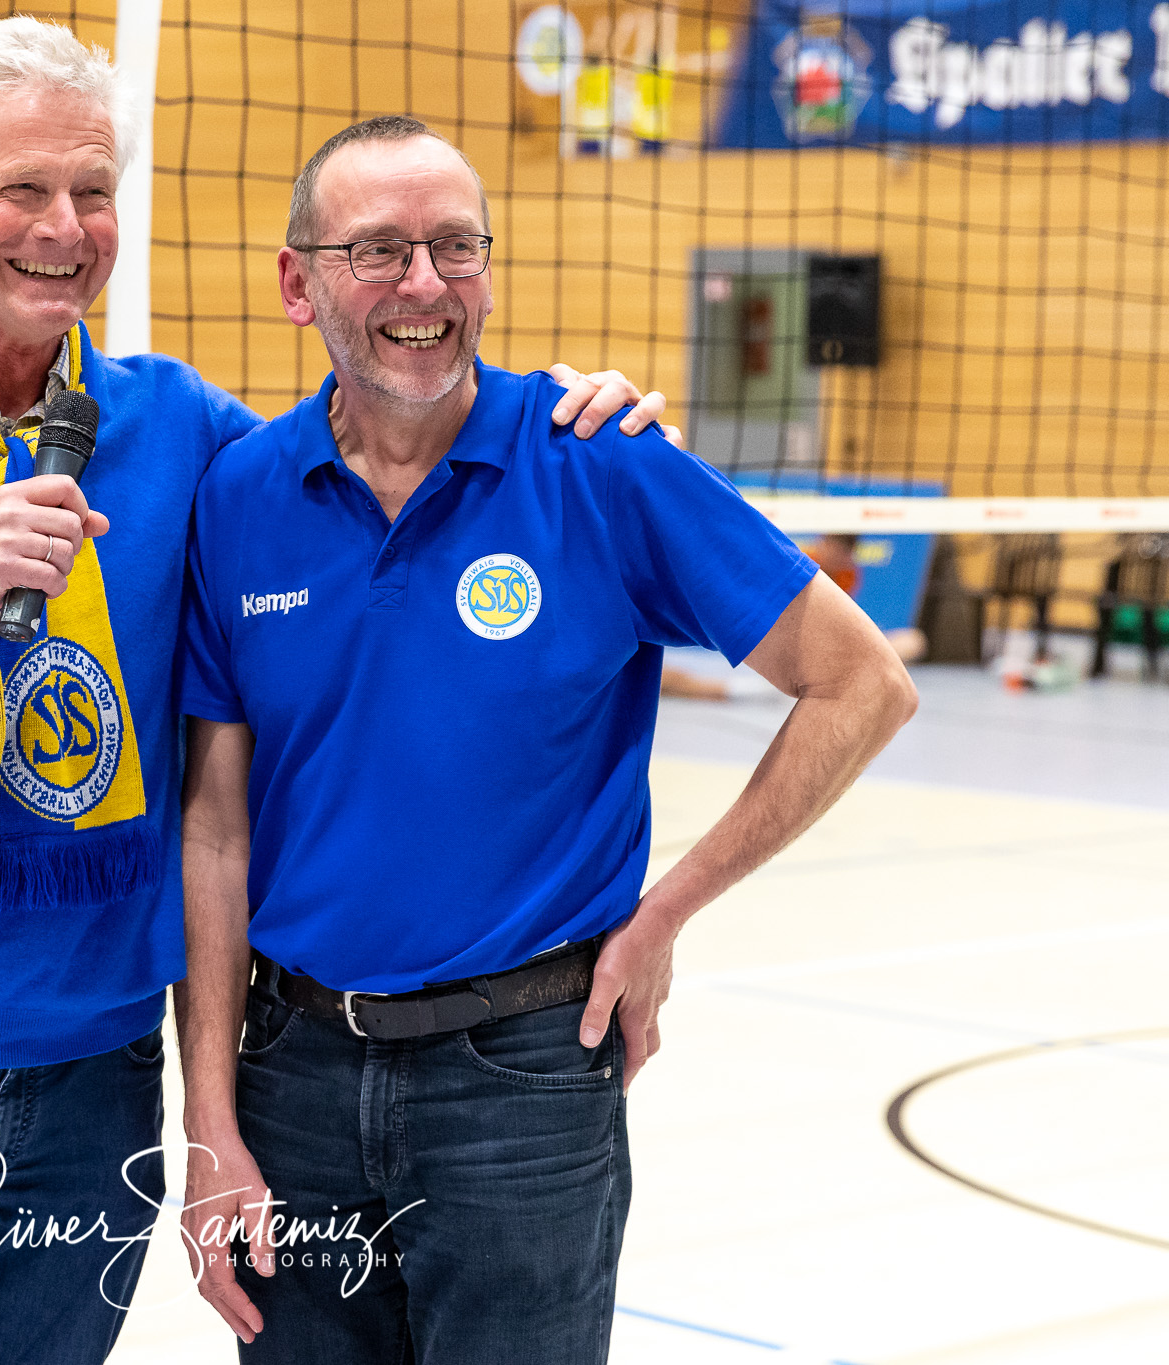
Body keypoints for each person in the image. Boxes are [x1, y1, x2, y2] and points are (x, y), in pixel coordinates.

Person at [0, 21, 671, 1363]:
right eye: (23, 189)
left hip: (91, 1085)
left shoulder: (181, 430)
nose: (64, 227)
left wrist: (565, 418)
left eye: (93, 191)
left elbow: (373, 466)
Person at [175, 116, 919, 1362]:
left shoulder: (599, 465)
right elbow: (212, 828)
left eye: (454, 246)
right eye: (378, 250)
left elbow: (861, 684)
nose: (424, 284)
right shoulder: (239, 495)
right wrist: (208, 1115)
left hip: (518, 1083)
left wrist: (665, 910)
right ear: (298, 284)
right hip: (288, 1076)